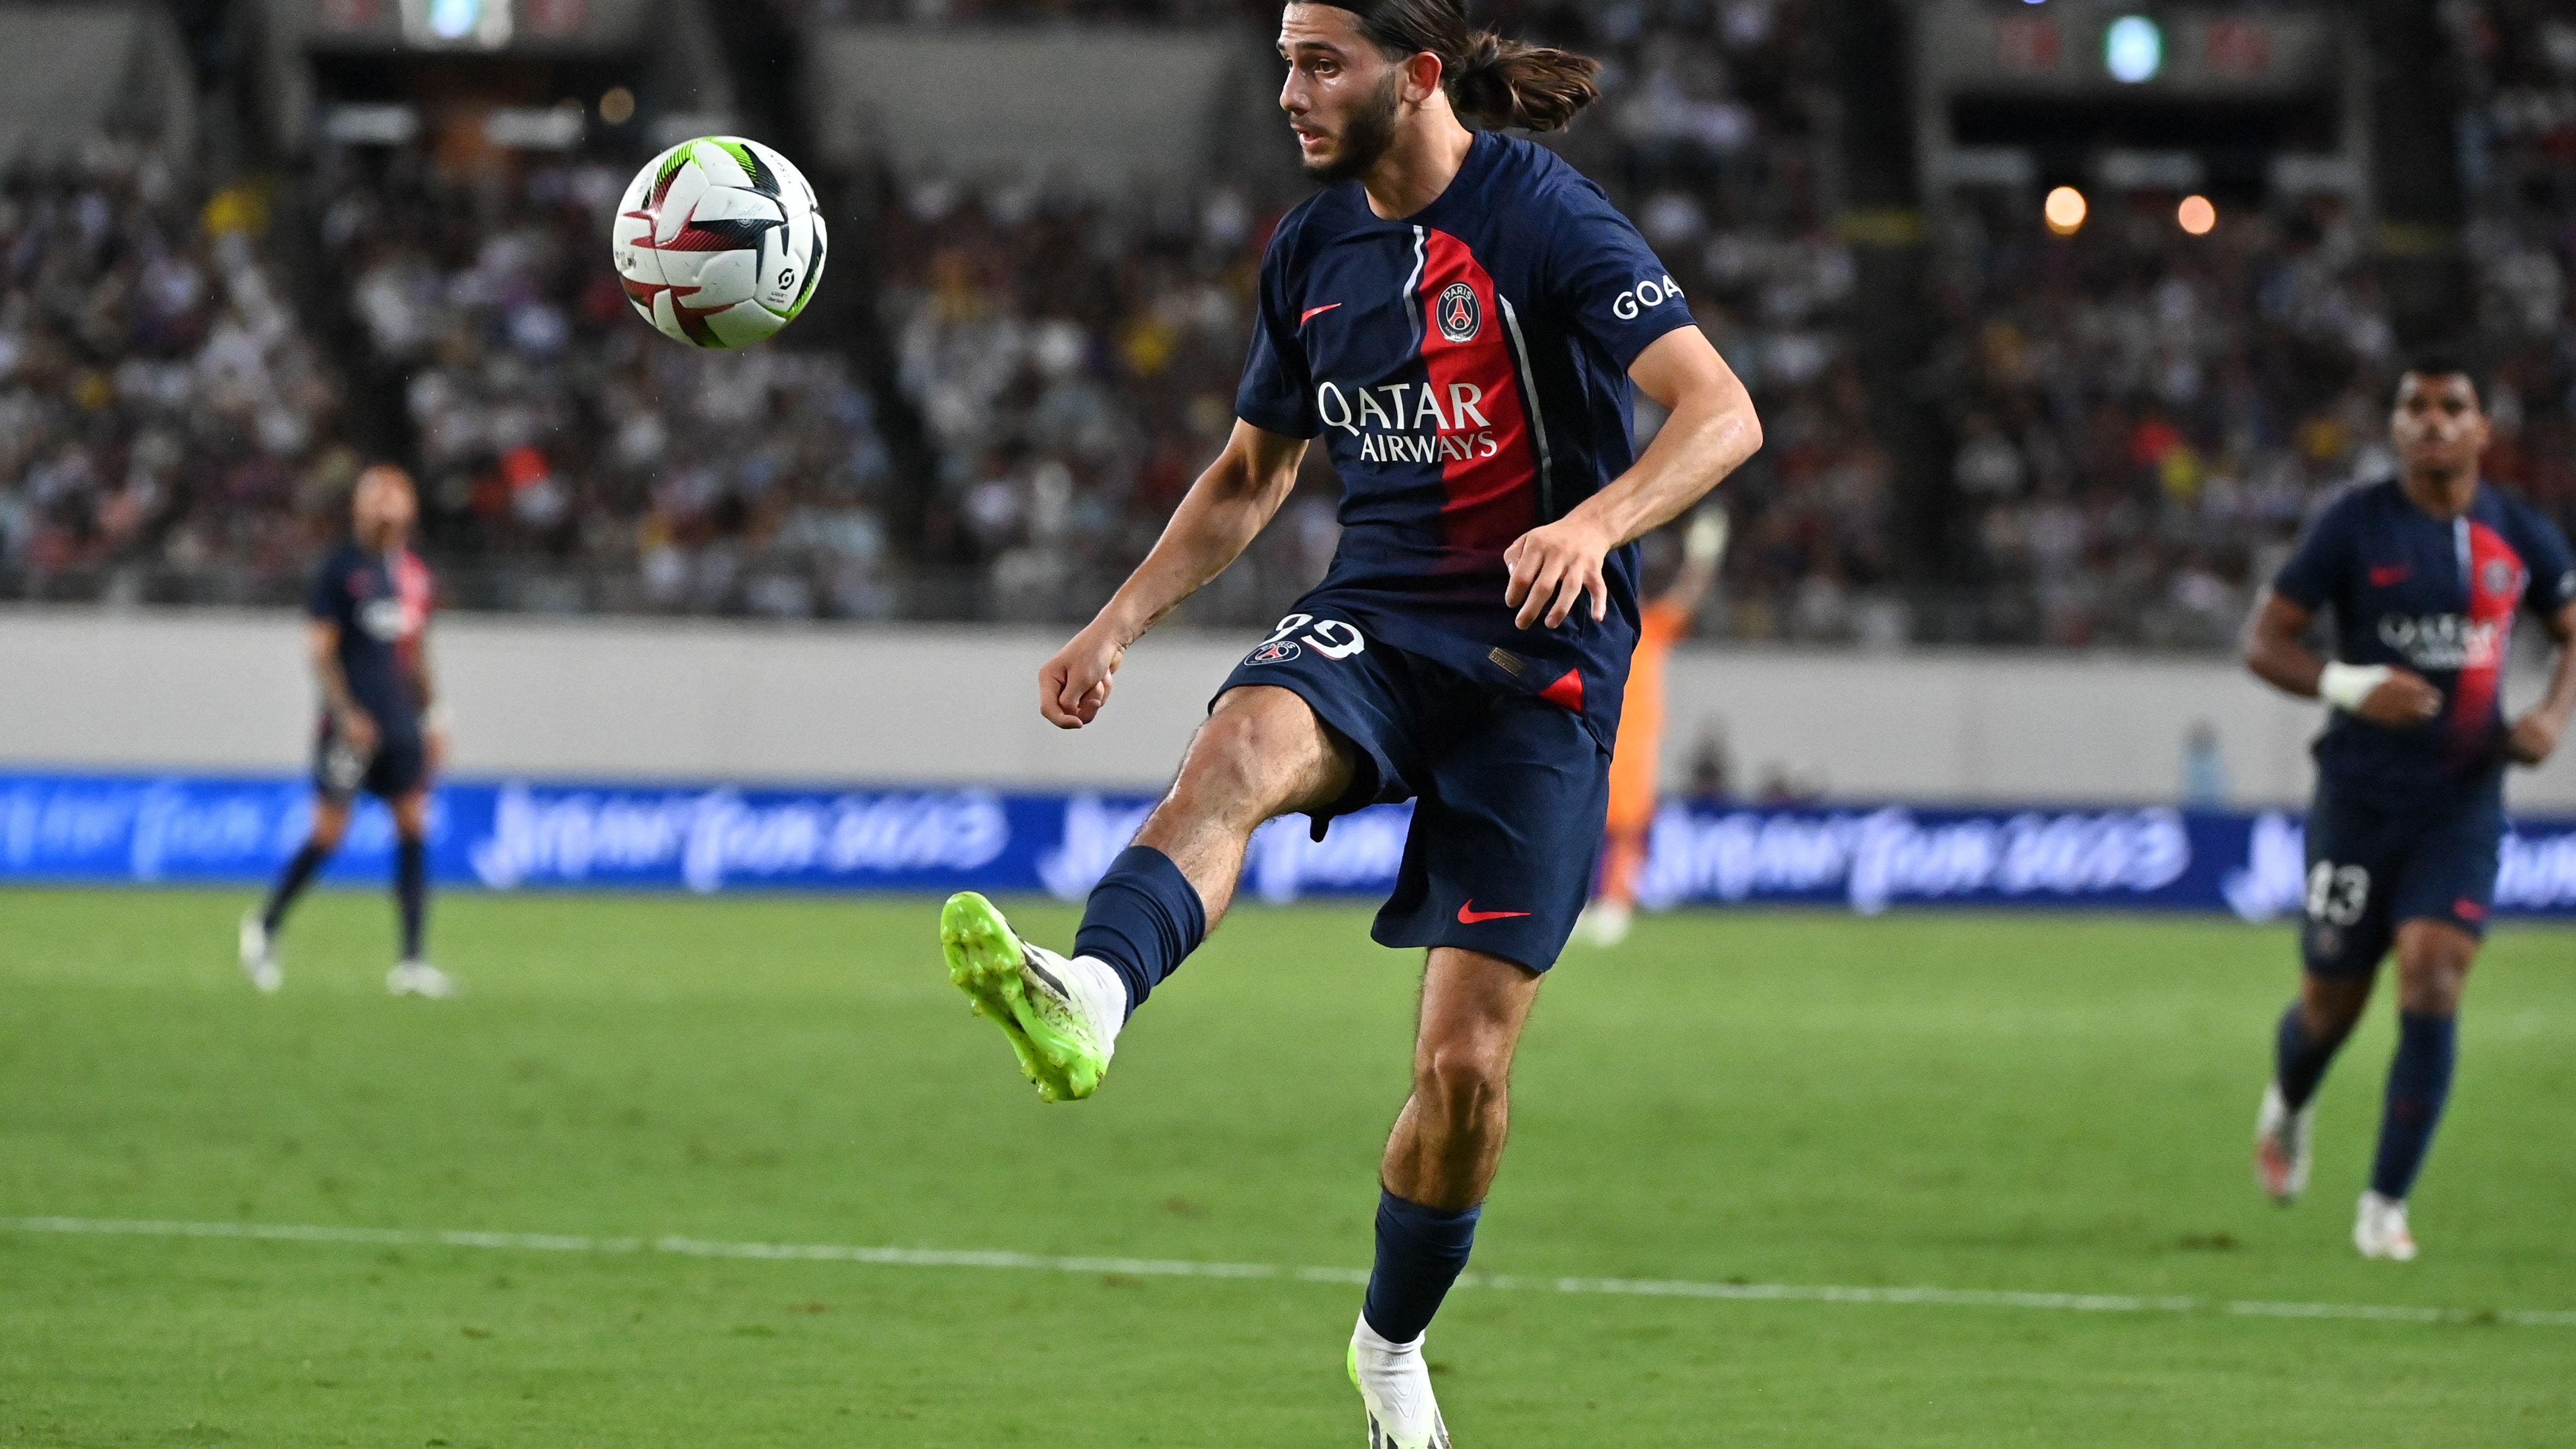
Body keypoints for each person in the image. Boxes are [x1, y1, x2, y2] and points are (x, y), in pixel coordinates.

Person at [933, 4, 1761, 1444]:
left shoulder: (1543, 217)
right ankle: (1093, 996)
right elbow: (1253, 471)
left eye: (1323, 63)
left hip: (1541, 666)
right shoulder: (1314, 248)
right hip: (1378, 615)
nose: (1290, 93)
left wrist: (1595, 518)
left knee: (1461, 1075)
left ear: (1418, 73)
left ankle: (1390, 1352)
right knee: (1240, 747)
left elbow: (1720, 409)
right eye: (1284, 61)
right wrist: (1117, 619)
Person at [2241, 358, 2576, 1261]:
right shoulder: (2354, 526)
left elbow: (2571, 629)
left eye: (2450, 407)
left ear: (2481, 429)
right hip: (2357, 802)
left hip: (2461, 803)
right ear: (2395, 428)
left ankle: (2384, 1205)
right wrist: (2349, 683)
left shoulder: (2519, 534)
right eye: (2414, 407)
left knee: (2433, 978)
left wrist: (2549, 714)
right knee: (2330, 1007)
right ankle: (2291, 1098)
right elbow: (2264, 641)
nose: (2431, 422)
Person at [239, 466, 460, 999]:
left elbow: (419, 653)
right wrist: (345, 714)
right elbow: (320, 650)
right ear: (359, 507)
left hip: (401, 721)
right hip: (351, 728)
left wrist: (434, 716)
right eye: (376, 495)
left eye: (395, 495)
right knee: (329, 832)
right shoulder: (339, 570)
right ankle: (265, 926)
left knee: (412, 823)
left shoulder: (414, 574)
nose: (387, 505)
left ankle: (411, 960)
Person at [1575, 505, 1725, 946]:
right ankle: (1584, 905)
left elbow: (1688, 596)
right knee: (1584, 825)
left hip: (1632, 741)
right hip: (1591, 734)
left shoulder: (1650, 628)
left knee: (1624, 825)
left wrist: (1703, 557)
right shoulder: (1594, 629)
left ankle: (1615, 905)